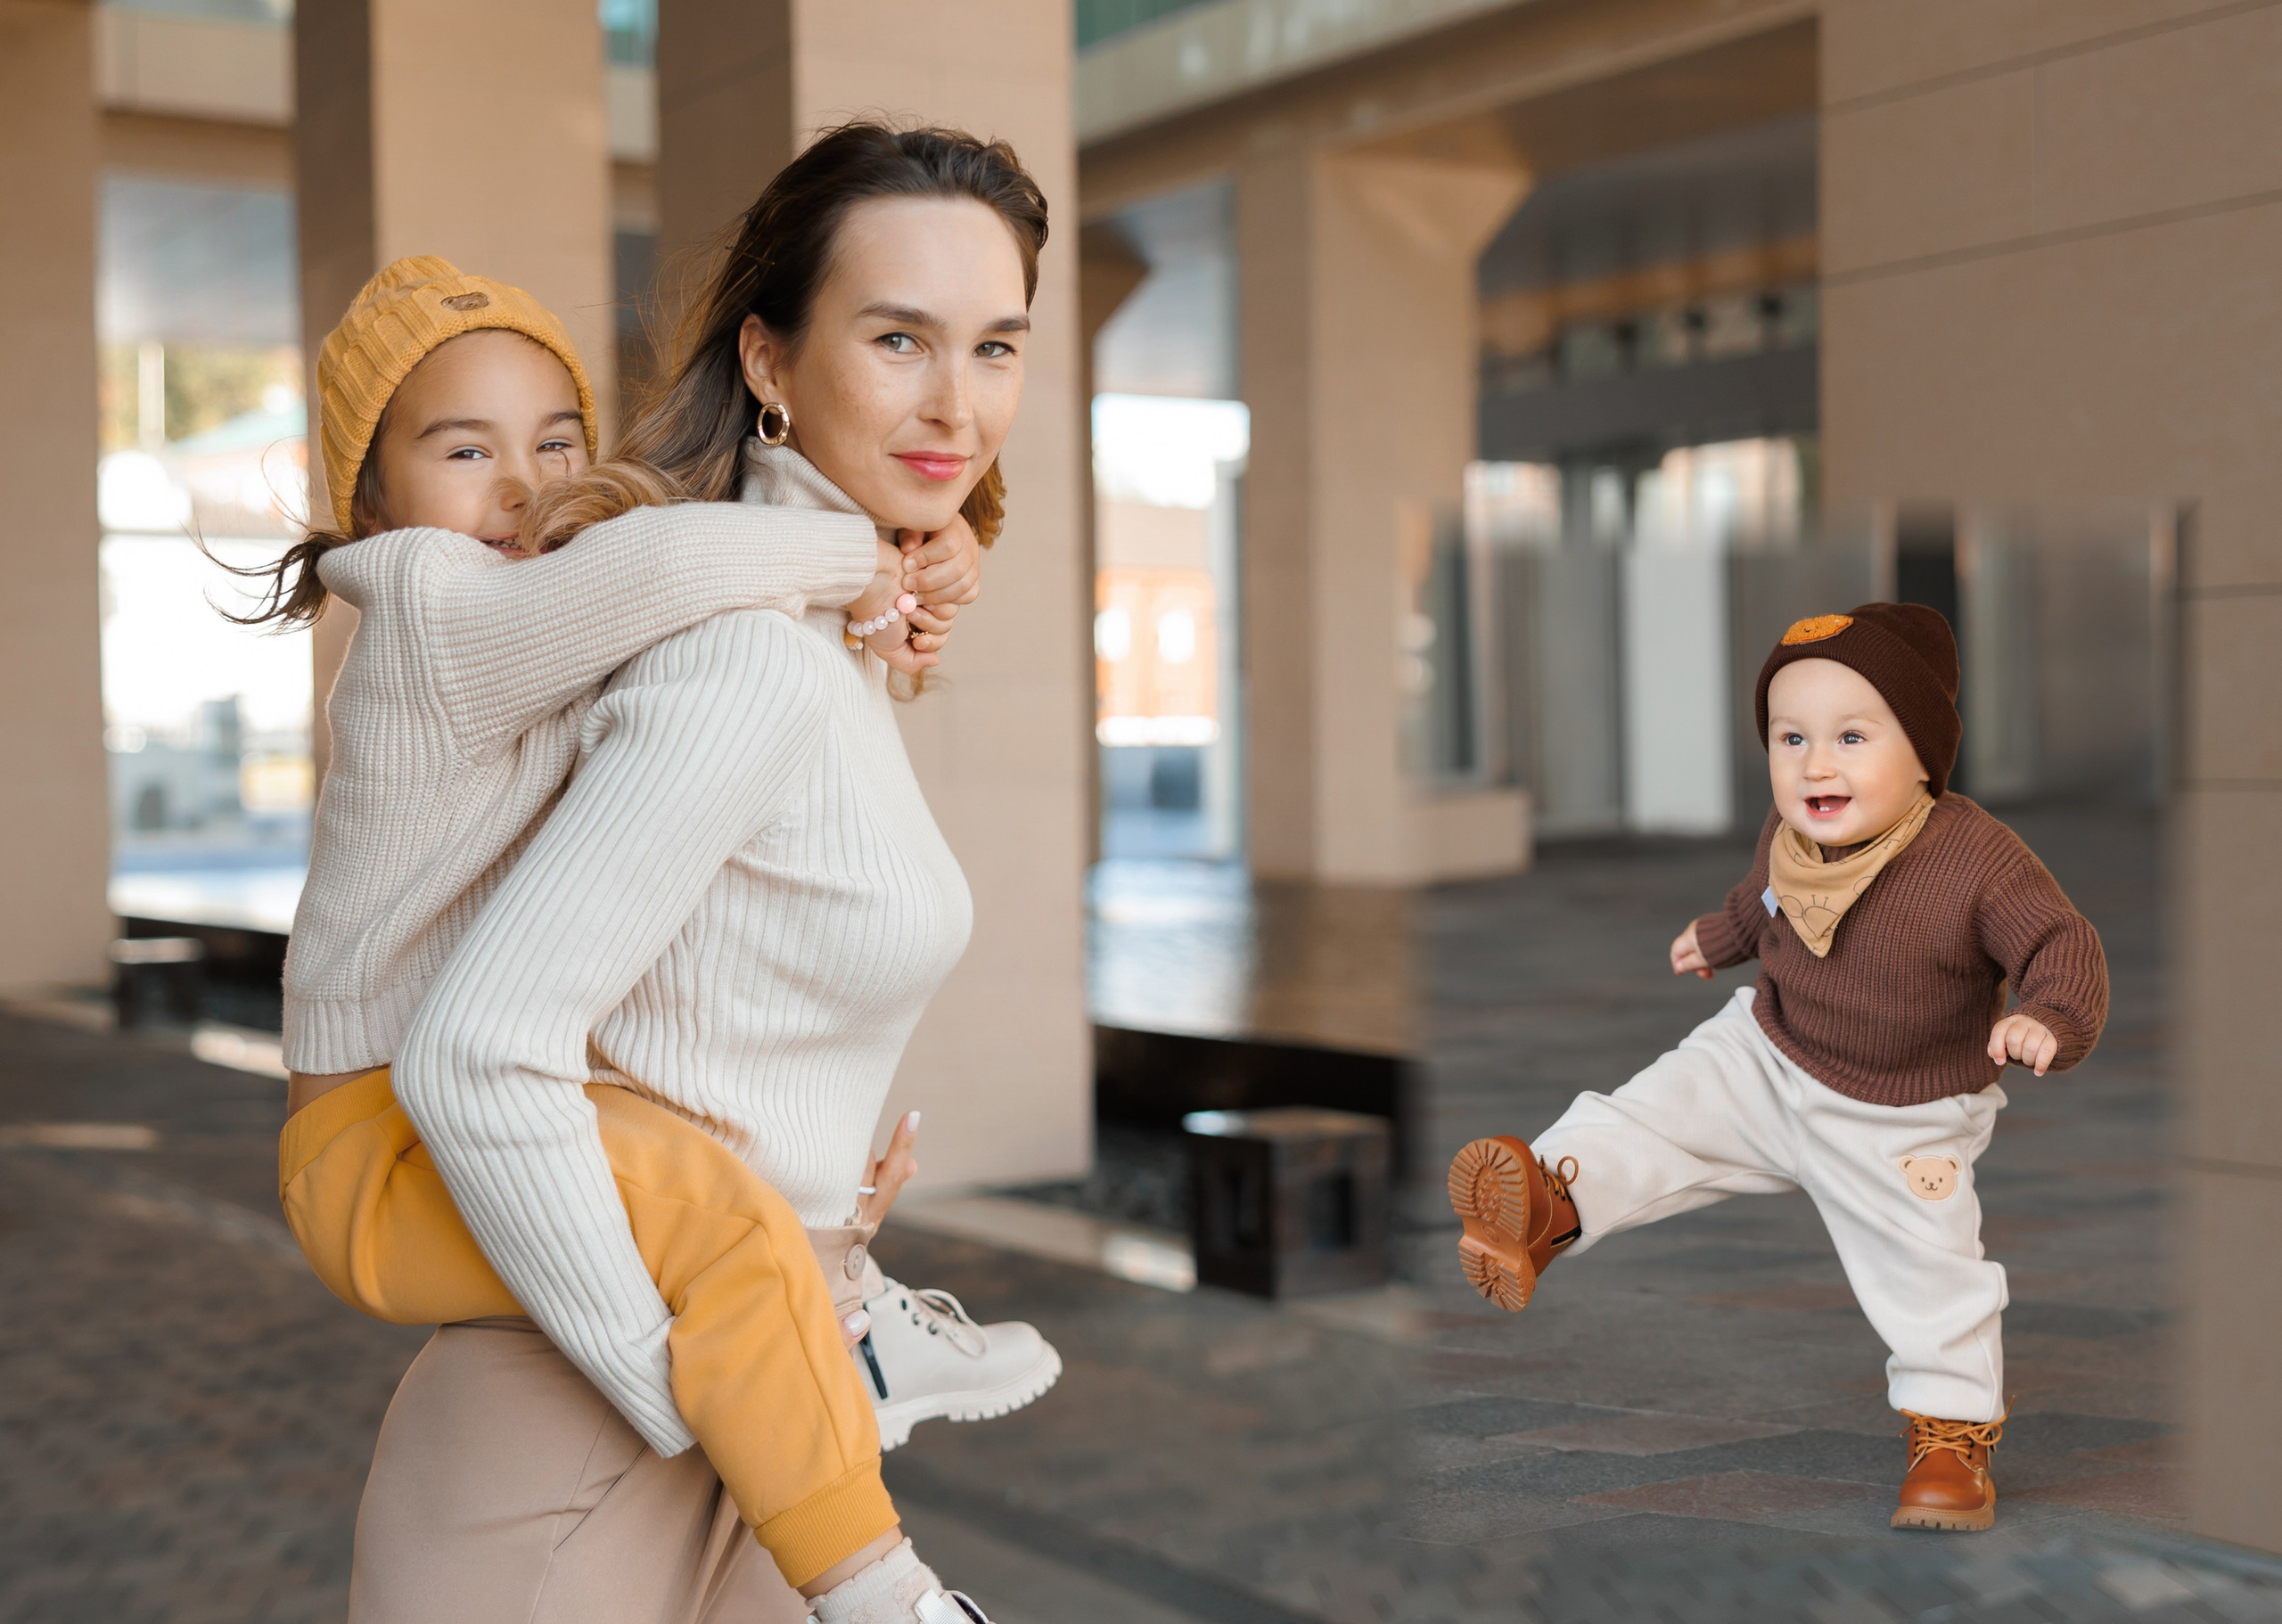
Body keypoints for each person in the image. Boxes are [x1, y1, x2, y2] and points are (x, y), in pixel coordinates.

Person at [333, 124, 1053, 1623]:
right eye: (898, 338)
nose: (957, 401)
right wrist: (664, 1364)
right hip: (589, 1451)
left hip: (761, 1415)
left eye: (995, 345)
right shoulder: (744, 658)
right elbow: (481, 1050)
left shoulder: (816, 639)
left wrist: (818, 1220)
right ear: (770, 359)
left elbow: (677, 1035)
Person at [1448, 603, 2109, 1534]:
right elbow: (1763, 899)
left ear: (1923, 754)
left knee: (1927, 1269)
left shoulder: (1976, 859)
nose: (1814, 765)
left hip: (1902, 1111)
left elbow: (2057, 942)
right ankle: (1549, 1202)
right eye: (1790, 738)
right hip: (1769, 1047)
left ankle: (1950, 1438)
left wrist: (2049, 1015)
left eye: (1850, 737)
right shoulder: (1790, 834)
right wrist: (1720, 937)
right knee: (1653, 1110)